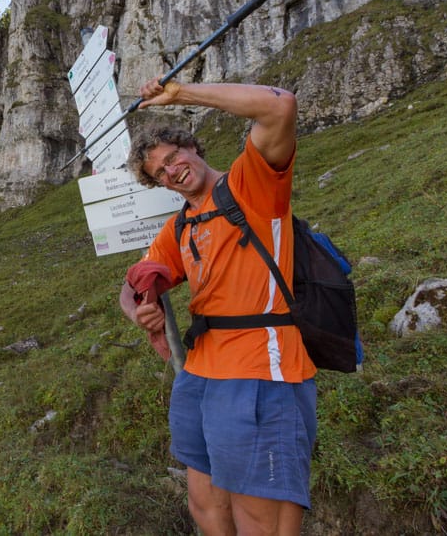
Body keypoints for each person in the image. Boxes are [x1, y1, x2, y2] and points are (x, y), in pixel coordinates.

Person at [120, 78, 317, 536]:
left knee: (260, 516)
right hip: (200, 373)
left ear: (192, 146)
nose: (172, 171)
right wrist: (140, 311)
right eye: (160, 172)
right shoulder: (180, 225)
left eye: (174, 157)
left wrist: (180, 93)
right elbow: (131, 285)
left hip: (261, 368)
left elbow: (280, 107)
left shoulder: (250, 184)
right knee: (205, 503)